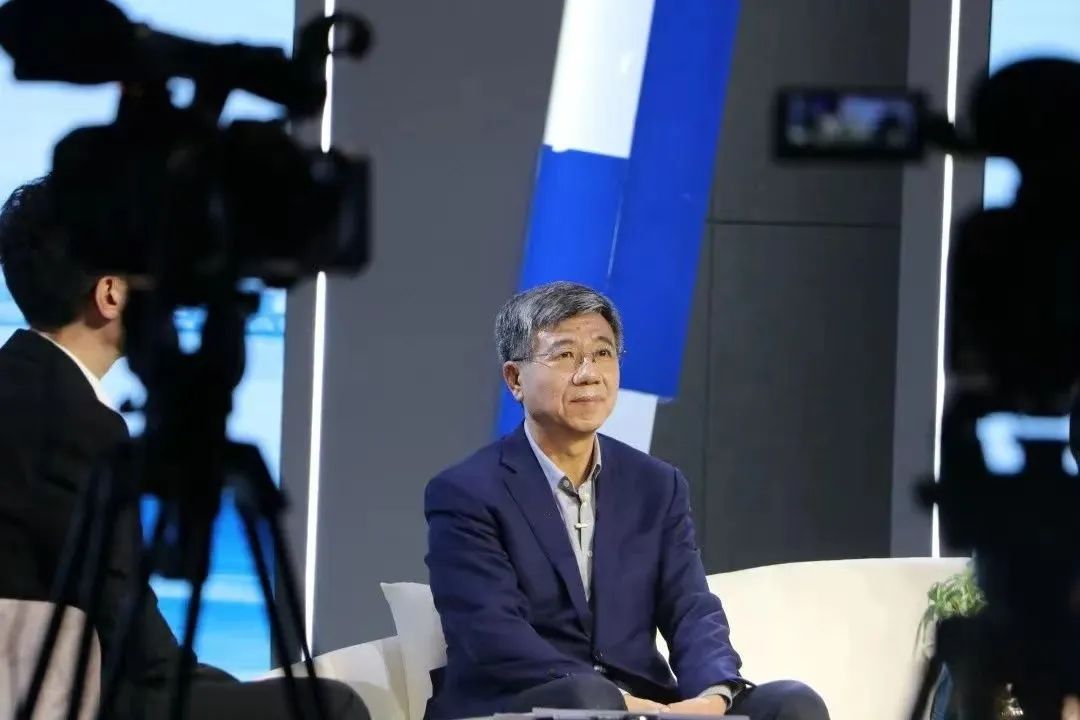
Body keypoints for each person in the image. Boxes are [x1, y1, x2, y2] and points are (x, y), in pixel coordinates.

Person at [0, 176, 368, 720]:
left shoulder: (21, 384)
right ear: (111, 293)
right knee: (332, 706)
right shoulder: (76, 421)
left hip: (45, 676)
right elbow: (128, 629)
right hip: (79, 691)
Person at [424, 281, 830, 720]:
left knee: (792, 703)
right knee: (590, 704)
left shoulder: (657, 485)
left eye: (602, 353)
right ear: (515, 378)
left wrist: (711, 698)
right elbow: (492, 634)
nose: (589, 373)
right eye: (565, 355)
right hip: (525, 702)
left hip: (648, 705)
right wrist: (626, 705)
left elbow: (691, 609)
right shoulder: (467, 492)